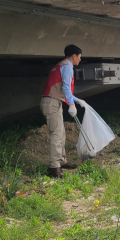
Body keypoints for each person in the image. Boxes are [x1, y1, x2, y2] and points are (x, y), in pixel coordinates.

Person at [40, 44, 87, 177]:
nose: (80, 60)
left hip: (53, 101)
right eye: (79, 57)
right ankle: (54, 166)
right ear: (74, 56)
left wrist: (77, 100)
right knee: (56, 134)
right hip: (52, 103)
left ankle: (61, 160)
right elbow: (66, 87)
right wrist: (71, 105)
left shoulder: (60, 66)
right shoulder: (67, 67)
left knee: (61, 133)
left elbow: (63, 89)